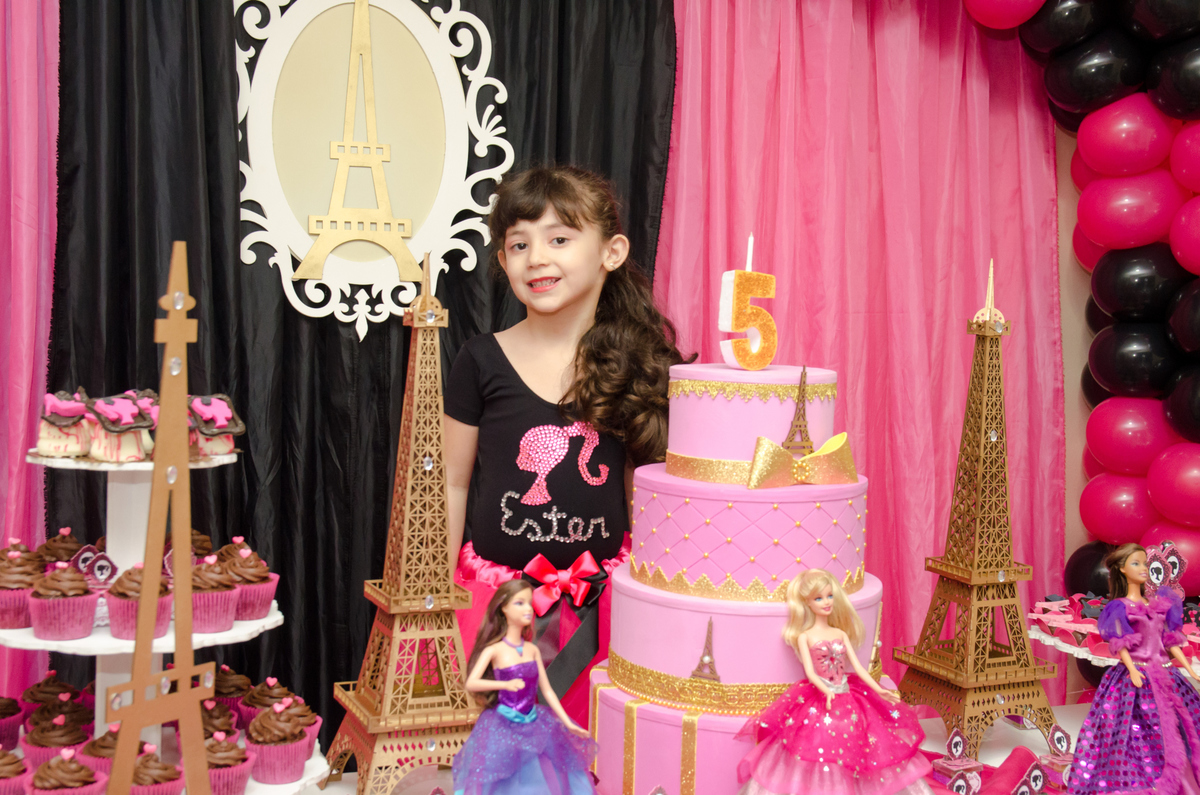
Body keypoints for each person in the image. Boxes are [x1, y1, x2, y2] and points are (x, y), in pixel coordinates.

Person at [444, 165, 690, 725]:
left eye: (559, 239)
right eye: (519, 244)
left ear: (611, 252)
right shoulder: (479, 360)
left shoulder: (634, 365)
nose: (536, 257)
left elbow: (645, 495)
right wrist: (440, 590)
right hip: (494, 605)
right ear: (503, 260)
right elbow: (453, 482)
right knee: (498, 747)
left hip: (599, 609)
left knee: (589, 747)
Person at [736, 569, 932, 795]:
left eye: (829, 596)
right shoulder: (805, 636)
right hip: (821, 696)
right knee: (817, 741)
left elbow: (858, 667)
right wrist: (826, 690)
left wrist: (879, 690)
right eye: (819, 598)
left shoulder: (840, 633)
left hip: (846, 692)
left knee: (860, 738)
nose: (826, 602)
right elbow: (810, 673)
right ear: (808, 603)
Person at [1069, 543, 1200, 795]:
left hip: (1167, 675)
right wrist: (1131, 669)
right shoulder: (1120, 607)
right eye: (1136, 563)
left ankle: (1182, 781)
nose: (1143, 569)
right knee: (1133, 732)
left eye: (1145, 563)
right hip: (1136, 676)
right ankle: (1142, 780)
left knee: (1181, 727)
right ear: (1121, 569)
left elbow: (1170, 643)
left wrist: (1190, 670)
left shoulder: (1158, 605)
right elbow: (1121, 645)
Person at [451, 579, 598, 795]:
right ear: (503, 608)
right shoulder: (495, 650)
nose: (528, 609)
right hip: (503, 723)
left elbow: (547, 690)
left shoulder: (532, 650)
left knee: (541, 777)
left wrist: (567, 722)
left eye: (529, 603)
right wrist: (504, 684)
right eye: (519, 603)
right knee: (503, 780)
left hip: (533, 721)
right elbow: (472, 682)